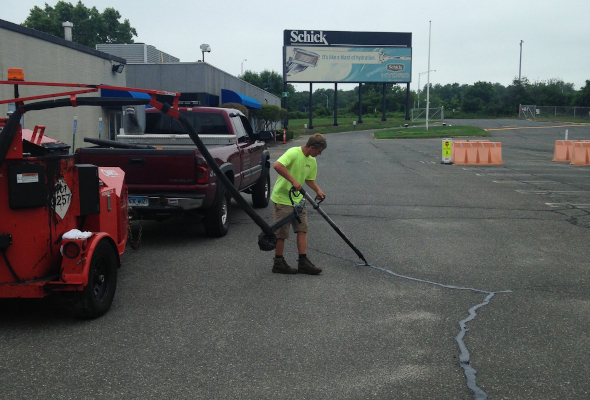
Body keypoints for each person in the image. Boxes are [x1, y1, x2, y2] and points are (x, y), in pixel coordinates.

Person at [270, 133, 327, 275]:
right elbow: (277, 165)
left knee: (302, 229)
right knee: (281, 233)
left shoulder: (312, 161)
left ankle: (303, 262)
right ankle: (278, 262)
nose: (319, 155)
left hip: (298, 200)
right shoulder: (293, 153)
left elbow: (309, 180)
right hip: (283, 198)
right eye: (319, 151)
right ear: (312, 147)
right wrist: (293, 180)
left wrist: (318, 191)